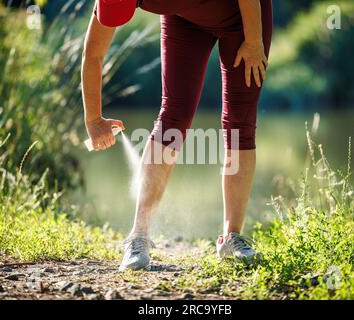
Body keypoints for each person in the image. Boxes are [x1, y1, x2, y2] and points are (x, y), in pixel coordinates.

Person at [82, 0, 273, 271]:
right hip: (182, 17)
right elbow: (93, 56)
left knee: (239, 122)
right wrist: (93, 119)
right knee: (172, 119)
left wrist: (254, 41)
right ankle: (138, 237)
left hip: (242, 16)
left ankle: (231, 236)